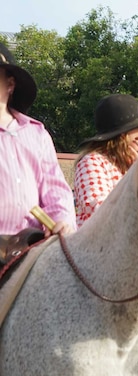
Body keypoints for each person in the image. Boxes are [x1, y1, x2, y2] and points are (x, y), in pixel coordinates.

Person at [0, 41, 75, 236]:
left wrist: (62, 220)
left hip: (31, 244)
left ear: (10, 84)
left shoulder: (36, 133)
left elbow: (54, 187)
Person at [74, 93, 138, 227]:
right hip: (95, 243)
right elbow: (100, 210)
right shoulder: (92, 162)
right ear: (122, 136)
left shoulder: (137, 164)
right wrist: (134, 173)